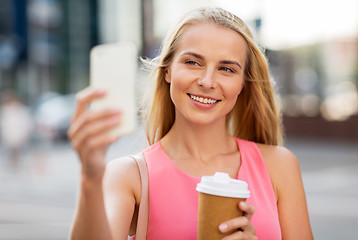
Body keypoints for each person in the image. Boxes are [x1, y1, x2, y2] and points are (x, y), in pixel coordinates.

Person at [68, 7, 313, 240]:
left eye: (226, 68)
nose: (207, 81)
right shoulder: (129, 176)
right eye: (192, 62)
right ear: (168, 71)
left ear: (242, 84)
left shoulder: (279, 167)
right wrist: (90, 177)